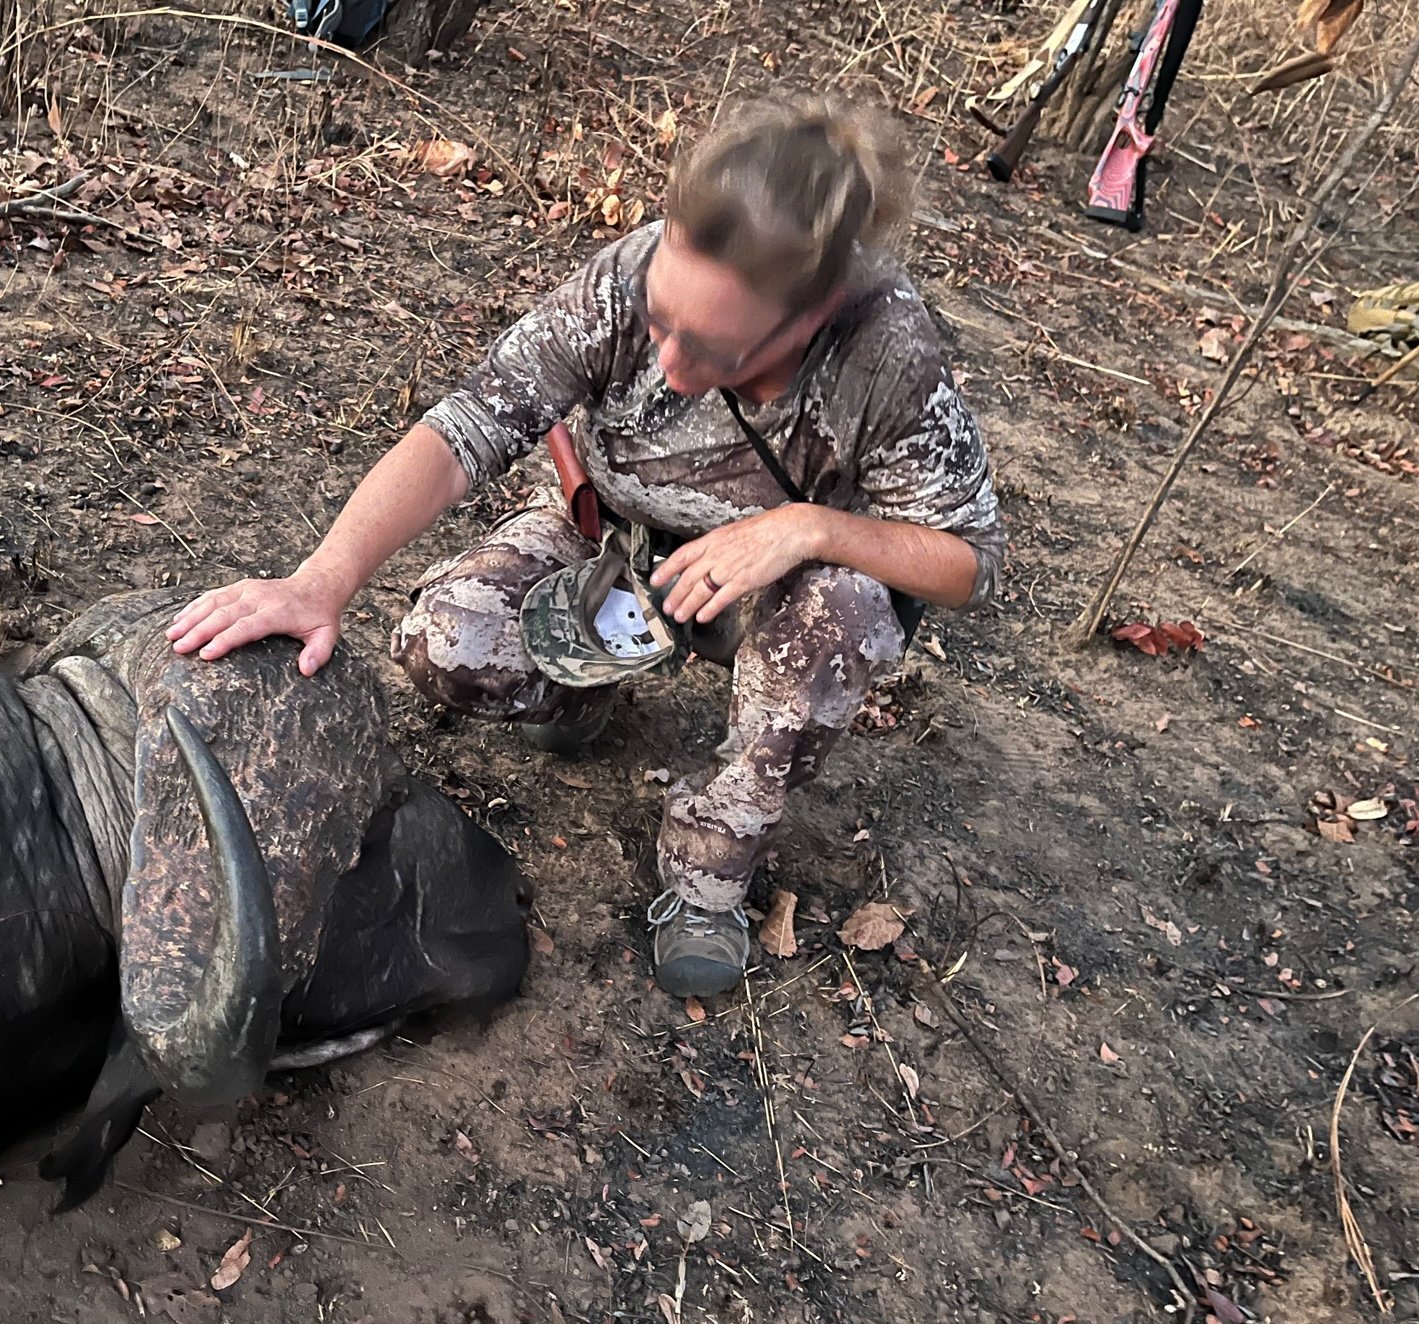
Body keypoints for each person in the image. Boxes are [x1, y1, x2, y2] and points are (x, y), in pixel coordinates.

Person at [167, 92, 1006, 998]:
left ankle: (710, 865)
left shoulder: (884, 351)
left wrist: (806, 528)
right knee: (447, 640)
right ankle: (588, 693)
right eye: (660, 326)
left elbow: (969, 561)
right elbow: (467, 428)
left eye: (716, 352)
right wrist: (322, 579)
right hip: (615, 538)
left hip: (778, 589)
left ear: (812, 315)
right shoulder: (630, 274)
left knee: (841, 611)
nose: (673, 368)